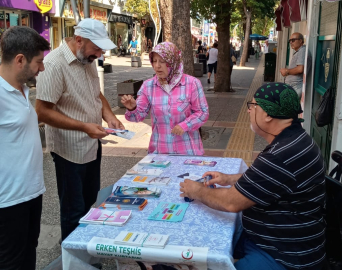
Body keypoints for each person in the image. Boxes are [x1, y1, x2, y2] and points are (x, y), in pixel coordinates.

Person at [180, 83, 325, 270]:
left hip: (283, 255)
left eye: (253, 106)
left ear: (268, 114)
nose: (248, 111)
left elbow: (230, 203)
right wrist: (229, 179)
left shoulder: (281, 154)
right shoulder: (295, 138)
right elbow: (271, 179)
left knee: (201, 246)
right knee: (203, 241)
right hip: (276, 238)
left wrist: (196, 190)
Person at [36, 18, 124, 241]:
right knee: (73, 210)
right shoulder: (54, 65)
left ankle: (86, 250)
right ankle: (73, 258)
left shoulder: (87, 58)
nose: (100, 54)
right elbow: (43, 111)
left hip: (91, 145)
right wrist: (83, 126)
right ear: (78, 40)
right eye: (97, 48)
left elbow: (96, 93)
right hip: (69, 151)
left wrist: (110, 116)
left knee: (88, 203)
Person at [0, 26, 49, 270]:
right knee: (12, 263)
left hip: (31, 194)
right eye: (38, 62)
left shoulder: (22, 89)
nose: (41, 68)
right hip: (8, 202)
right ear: (20, 60)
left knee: (28, 256)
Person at [120, 41, 209, 155]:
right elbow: (138, 116)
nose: (157, 66)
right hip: (160, 152)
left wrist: (185, 125)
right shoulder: (148, 86)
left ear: (173, 62)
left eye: (162, 61)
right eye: (154, 61)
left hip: (187, 151)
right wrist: (132, 108)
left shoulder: (191, 83)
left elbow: (202, 112)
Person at [280, 32, 311, 98]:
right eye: (290, 41)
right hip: (293, 86)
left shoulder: (302, 50)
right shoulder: (299, 51)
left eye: (293, 40)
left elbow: (300, 69)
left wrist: (287, 71)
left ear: (300, 41)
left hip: (296, 86)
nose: (291, 42)